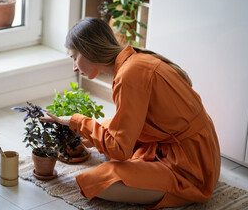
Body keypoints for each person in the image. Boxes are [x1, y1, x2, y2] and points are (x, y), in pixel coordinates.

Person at [40, 17, 221, 209]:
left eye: (74, 57)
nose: (75, 66)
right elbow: (131, 124)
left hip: (191, 167)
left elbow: (120, 150)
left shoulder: (129, 75)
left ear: (89, 50)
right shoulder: (135, 60)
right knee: (108, 138)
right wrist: (87, 133)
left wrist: (77, 121)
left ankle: (182, 187)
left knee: (96, 181)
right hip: (200, 151)